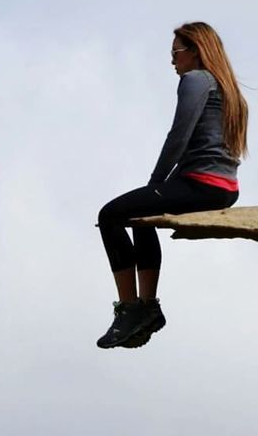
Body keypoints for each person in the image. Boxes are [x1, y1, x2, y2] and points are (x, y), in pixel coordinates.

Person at [95, 21, 249, 349]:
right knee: (138, 213)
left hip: (201, 185)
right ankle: (147, 308)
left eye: (176, 52)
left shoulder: (196, 80)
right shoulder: (228, 88)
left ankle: (131, 309)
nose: (172, 61)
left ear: (195, 52)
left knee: (109, 215)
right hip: (225, 188)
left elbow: (179, 135)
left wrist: (155, 182)